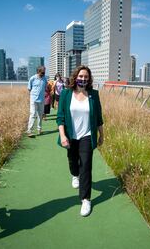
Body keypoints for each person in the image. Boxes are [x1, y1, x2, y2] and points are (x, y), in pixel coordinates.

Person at [56, 65, 104, 217]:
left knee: (86, 166)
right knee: (72, 161)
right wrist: (63, 136)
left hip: (87, 136)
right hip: (70, 135)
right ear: (75, 77)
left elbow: (99, 117)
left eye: (86, 77)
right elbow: (60, 117)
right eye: (81, 76)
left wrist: (101, 135)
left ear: (89, 79)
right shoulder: (65, 93)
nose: (83, 79)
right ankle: (74, 175)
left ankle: (85, 199)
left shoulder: (93, 95)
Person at [27, 66, 47, 136]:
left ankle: (39, 129)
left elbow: (45, 88)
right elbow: (29, 88)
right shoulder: (32, 78)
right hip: (33, 99)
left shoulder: (45, 79)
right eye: (42, 72)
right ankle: (29, 131)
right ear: (38, 71)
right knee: (32, 114)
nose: (44, 73)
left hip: (41, 99)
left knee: (40, 115)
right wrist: (33, 95)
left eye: (44, 72)